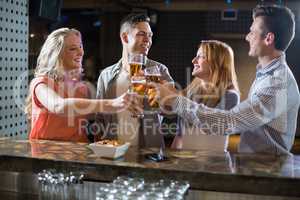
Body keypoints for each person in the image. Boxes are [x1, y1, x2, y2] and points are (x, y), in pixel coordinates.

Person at [154, 5, 300, 155]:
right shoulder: (266, 74)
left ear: (268, 38)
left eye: (252, 32)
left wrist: (175, 101)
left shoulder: (276, 84)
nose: (247, 37)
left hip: (268, 169)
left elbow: (227, 122)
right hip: (258, 165)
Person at [25, 28, 138, 143]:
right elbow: (59, 106)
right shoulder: (41, 83)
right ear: (56, 55)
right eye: (73, 49)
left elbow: (96, 116)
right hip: (46, 155)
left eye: (80, 47)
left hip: (79, 153)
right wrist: (113, 103)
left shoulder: (82, 87)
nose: (81, 53)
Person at [95, 13, 174, 147]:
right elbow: (100, 118)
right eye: (141, 34)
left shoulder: (159, 70)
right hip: (115, 152)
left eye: (150, 36)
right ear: (125, 37)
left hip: (149, 153)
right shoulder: (106, 75)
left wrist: (161, 97)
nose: (147, 40)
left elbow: (172, 111)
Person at [172, 40, 240, 152]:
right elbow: (179, 136)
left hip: (212, 162)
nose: (193, 61)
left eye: (201, 56)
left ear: (217, 62)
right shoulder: (191, 91)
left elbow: (210, 129)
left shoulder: (230, 96)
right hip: (186, 161)